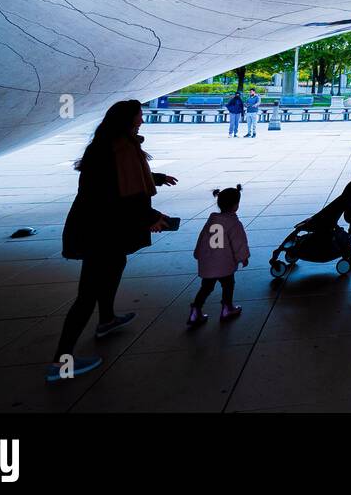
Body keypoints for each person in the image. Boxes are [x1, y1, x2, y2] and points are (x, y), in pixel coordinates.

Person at [49, 100, 177, 382]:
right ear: (127, 119)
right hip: (101, 230)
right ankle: (61, 362)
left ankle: (106, 320)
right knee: (87, 295)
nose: (142, 120)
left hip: (104, 227)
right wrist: (150, 216)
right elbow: (121, 193)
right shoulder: (119, 148)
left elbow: (124, 180)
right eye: (139, 116)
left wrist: (156, 178)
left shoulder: (112, 144)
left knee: (115, 266)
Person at [189, 185, 248, 324]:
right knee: (228, 285)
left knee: (206, 287)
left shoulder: (212, 221)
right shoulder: (233, 223)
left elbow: (202, 239)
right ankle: (227, 308)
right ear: (236, 205)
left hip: (208, 263)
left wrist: (198, 254)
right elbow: (239, 243)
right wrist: (243, 257)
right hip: (224, 263)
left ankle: (195, 311)